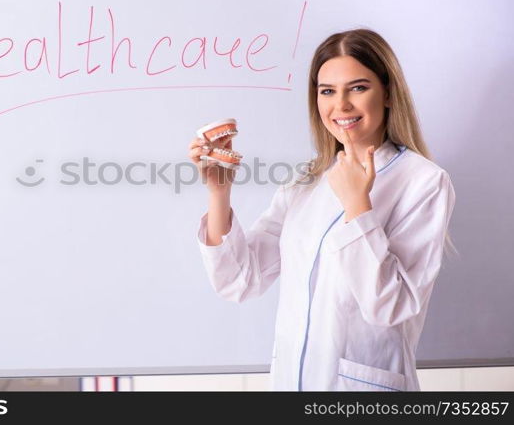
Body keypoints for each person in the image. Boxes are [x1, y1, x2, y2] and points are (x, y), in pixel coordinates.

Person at [188, 28, 457, 391]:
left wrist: (358, 207)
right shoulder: (306, 181)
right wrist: (219, 192)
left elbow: (391, 307)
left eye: (358, 88)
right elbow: (240, 281)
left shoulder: (424, 182)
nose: (341, 105)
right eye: (327, 91)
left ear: (389, 93)